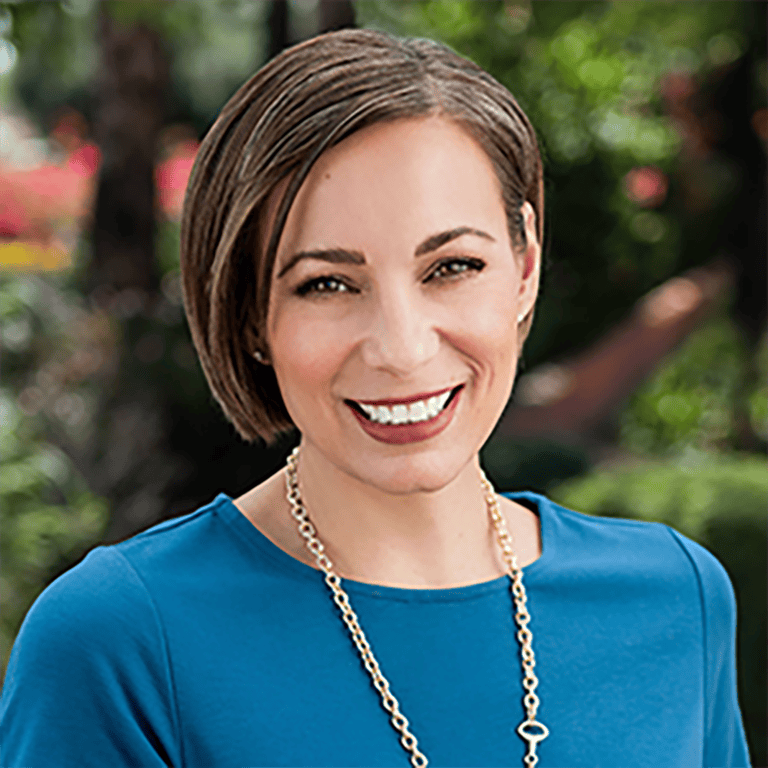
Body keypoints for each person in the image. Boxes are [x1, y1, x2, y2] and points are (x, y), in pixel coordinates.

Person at [0, 28, 751, 768]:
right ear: (250, 312)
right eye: (327, 284)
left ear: (524, 266)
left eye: (451, 267)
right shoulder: (121, 641)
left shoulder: (674, 598)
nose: (403, 348)